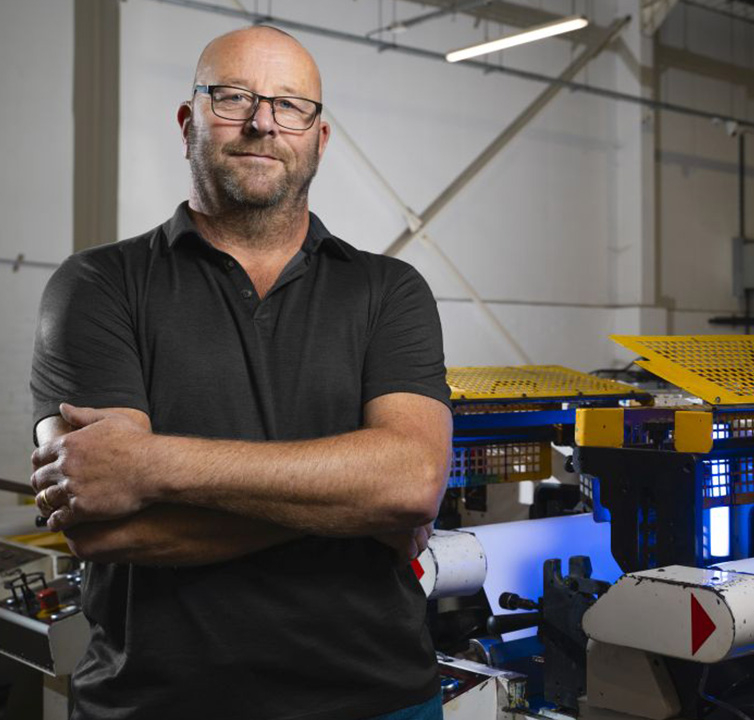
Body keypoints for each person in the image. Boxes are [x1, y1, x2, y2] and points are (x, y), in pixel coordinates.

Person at [29, 25, 452, 720]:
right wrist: (351, 509)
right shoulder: (98, 285)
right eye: (232, 98)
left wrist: (150, 465)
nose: (262, 122)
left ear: (319, 138)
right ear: (187, 121)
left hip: (378, 701)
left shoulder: (388, 290)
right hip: (155, 706)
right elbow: (103, 527)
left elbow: (409, 483)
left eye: (291, 105)